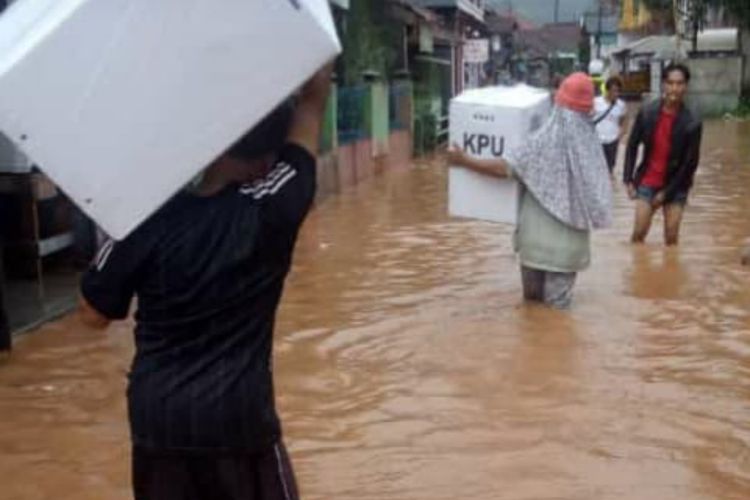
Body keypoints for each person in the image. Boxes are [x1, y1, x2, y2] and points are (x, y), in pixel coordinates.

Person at [77, 62, 333, 500]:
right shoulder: (275, 208)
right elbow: (311, 109)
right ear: (267, 161)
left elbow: (92, 314)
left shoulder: (144, 217)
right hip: (239, 422)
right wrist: (319, 58)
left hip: (159, 424)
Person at [448, 72, 612, 309]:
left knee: (532, 313)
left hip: (534, 245)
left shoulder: (544, 141)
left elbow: (506, 167)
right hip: (569, 252)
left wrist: (465, 161)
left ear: (558, 102)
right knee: (557, 317)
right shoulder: (592, 149)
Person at [624, 63, 703, 246]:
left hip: (676, 184)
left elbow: (690, 164)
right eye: (670, 83)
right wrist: (628, 179)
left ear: (686, 86)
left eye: (680, 83)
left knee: (671, 236)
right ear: (663, 85)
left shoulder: (692, 122)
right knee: (638, 233)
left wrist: (666, 193)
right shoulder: (647, 113)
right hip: (647, 180)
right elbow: (632, 145)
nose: (674, 88)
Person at [593, 76, 627, 175]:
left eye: (618, 91)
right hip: (598, 140)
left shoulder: (621, 105)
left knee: (610, 166)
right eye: (613, 91)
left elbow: (624, 120)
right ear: (607, 90)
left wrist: (621, 134)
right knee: (597, 167)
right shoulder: (596, 102)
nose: (616, 94)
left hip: (612, 141)